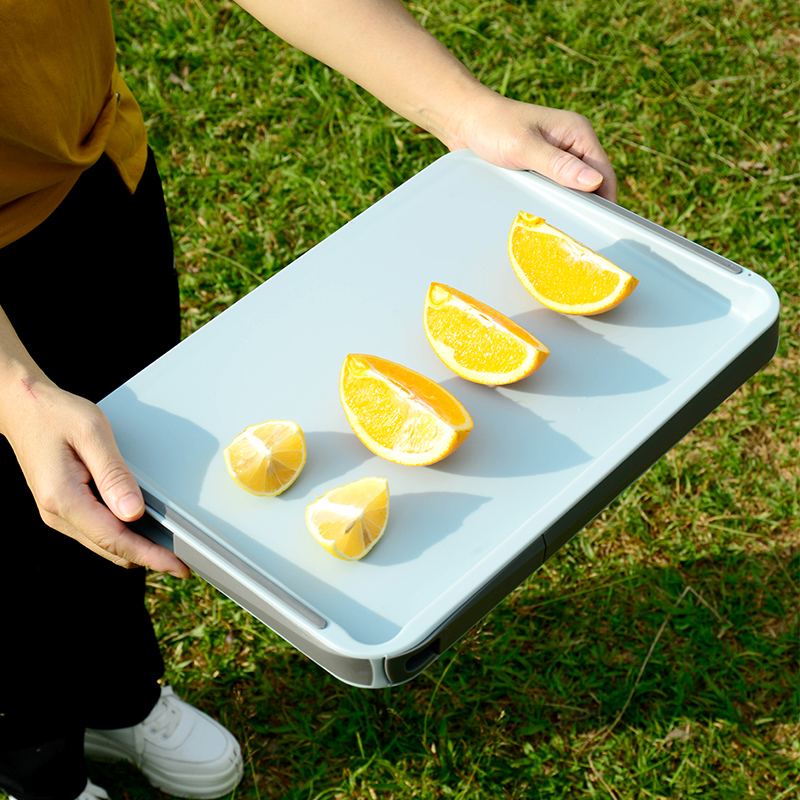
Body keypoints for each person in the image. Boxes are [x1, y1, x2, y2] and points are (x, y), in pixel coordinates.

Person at [0, 1, 616, 799]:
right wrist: (12, 387)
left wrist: (466, 108)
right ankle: (37, 763)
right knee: (9, 550)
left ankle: (118, 695)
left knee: (128, 488)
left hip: (89, 179)